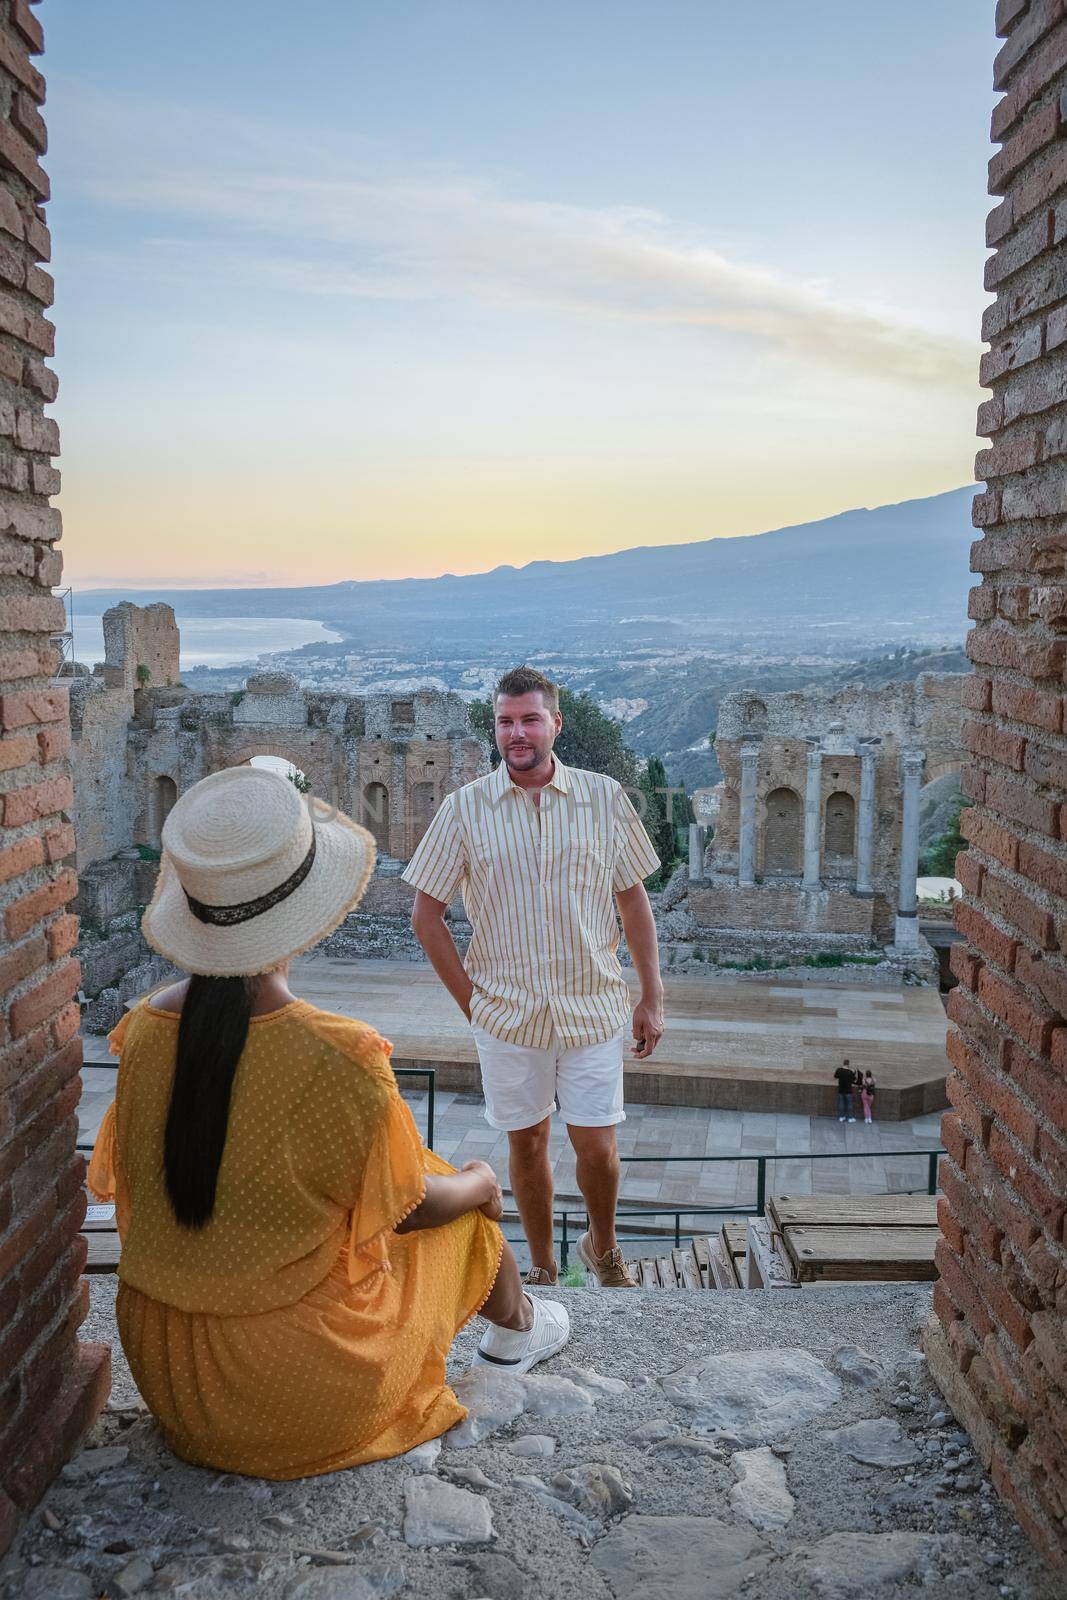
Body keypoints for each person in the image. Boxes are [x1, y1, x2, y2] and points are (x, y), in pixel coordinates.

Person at [87, 765, 569, 1481]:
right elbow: (407, 1210)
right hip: (300, 1391)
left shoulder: (142, 1032)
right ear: (306, 909)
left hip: (173, 1374)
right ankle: (518, 1327)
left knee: (396, 1172)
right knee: (458, 1204)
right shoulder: (337, 1052)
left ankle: (514, 1310)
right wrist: (482, 1183)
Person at [405, 665, 664, 1290]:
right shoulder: (464, 810)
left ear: (555, 723)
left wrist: (652, 995)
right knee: (527, 1146)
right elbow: (426, 915)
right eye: (505, 722)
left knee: (597, 1147)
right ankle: (545, 1266)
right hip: (508, 1013)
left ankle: (603, 1247)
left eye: (528, 719)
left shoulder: (605, 798)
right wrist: (474, 1004)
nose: (516, 733)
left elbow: (633, 902)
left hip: (592, 1004)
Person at [833, 1057, 856, 1123]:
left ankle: (841, 1117)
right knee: (849, 1105)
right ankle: (850, 1118)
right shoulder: (850, 1072)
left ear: (843, 1063)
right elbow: (854, 1079)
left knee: (841, 1104)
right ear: (848, 1064)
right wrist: (853, 1072)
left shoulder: (839, 1070)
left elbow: (835, 1077)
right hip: (848, 1091)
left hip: (841, 1090)